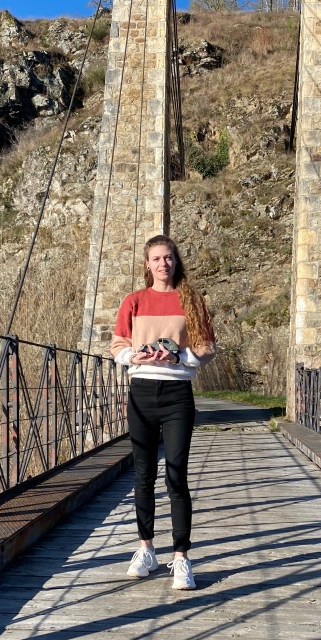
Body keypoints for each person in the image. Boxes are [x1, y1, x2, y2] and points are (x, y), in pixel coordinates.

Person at [111, 235, 216, 590]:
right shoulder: (134, 301)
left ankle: (182, 558)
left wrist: (178, 358)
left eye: (168, 258)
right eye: (156, 258)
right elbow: (118, 345)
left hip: (176, 395)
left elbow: (206, 346)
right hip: (141, 393)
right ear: (147, 263)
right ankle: (146, 549)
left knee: (176, 476)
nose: (162, 264)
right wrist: (133, 357)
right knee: (142, 476)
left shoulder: (191, 300)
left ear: (175, 261)